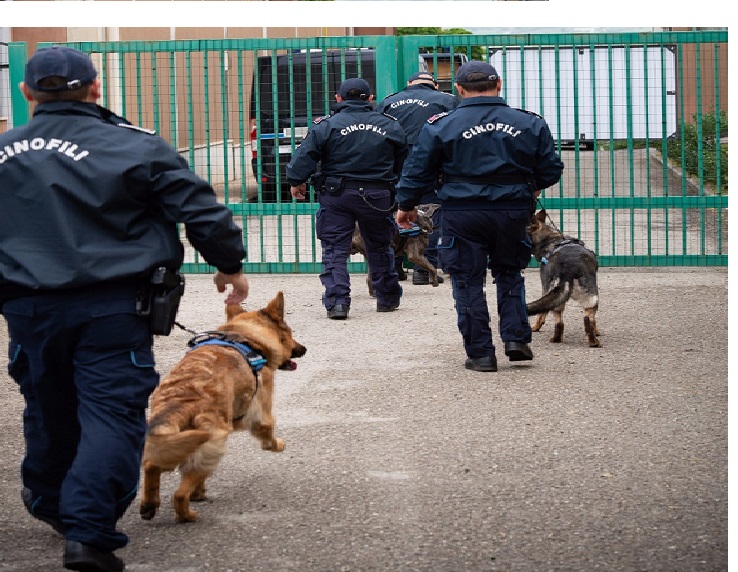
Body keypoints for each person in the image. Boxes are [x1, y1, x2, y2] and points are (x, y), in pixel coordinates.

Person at [0, 46, 250, 572]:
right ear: (95, 88)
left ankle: (53, 503)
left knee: (48, 406)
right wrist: (229, 265)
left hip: (28, 308)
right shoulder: (135, 146)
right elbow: (202, 211)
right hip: (112, 307)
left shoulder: (4, 151)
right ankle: (88, 531)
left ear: (25, 94)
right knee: (111, 413)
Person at [394, 60, 564, 373]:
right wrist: (526, 187)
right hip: (512, 211)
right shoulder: (530, 123)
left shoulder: (441, 124)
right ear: (498, 84)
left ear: (458, 89)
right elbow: (551, 169)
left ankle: (482, 354)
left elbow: (418, 170)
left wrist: (406, 205)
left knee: (467, 281)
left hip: (462, 213)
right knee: (509, 273)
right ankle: (516, 340)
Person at [286, 77, 407, 320]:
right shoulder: (390, 125)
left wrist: (296, 181)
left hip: (337, 195)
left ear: (338, 99)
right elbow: (404, 163)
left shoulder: (326, 125)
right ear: (370, 98)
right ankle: (387, 298)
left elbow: (304, 157)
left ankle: (338, 303)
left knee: (334, 249)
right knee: (380, 246)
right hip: (378, 194)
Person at [376, 71, 458, 285]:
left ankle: (394, 265)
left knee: (394, 210)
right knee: (430, 211)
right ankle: (424, 268)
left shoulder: (388, 101)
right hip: (432, 162)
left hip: (394, 163)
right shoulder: (447, 100)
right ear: (435, 85)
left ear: (409, 83)